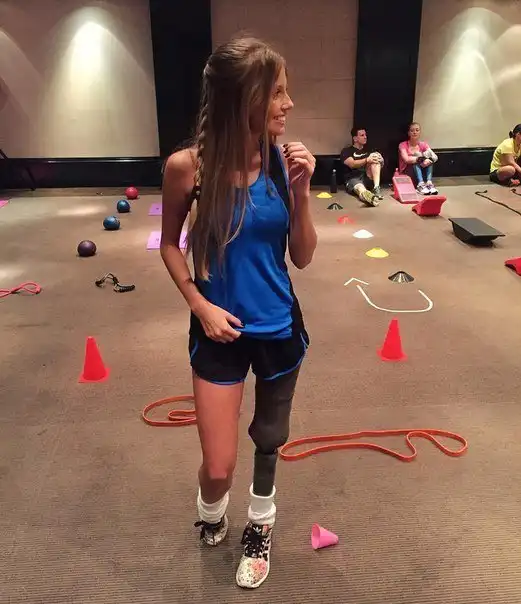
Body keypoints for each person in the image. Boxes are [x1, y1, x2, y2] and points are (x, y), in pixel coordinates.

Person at [160, 36, 317, 590]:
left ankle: (260, 525)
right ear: (242, 99)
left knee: (269, 437)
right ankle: (212, 509)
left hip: (278, 324)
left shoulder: (281, 161)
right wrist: (200, 304)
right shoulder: (188, 168)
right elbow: (169, 245)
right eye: (277, 93)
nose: (288, 104)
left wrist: (302, 192)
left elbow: (302, 256)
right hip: (217, 329)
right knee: (218, 465)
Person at [340, 127, 384, 206]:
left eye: (365, 135)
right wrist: (367, 160)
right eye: (362, 135)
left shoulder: (370, 150)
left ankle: (376, 188)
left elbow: (379, 166)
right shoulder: (346, 151)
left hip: (368, 177)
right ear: (355, 138)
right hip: (353, 178)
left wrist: (381, 160)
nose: (365, 137)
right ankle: (366, 195)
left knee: (375, 157)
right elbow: (352, 164)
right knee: (359, 187)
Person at [398, 122, 439, 195]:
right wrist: (421, 159)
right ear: (408, 133)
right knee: (417, 160)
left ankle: (429, 183)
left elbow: (434, 157)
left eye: (417, 130)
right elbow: (406, 159)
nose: (415, 132)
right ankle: (420, 185)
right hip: (408, 171)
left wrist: (429, 160)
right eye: (412, 130)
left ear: (420, 132)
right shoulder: (403, 145)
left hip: (421, 170)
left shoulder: (423, 144)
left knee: (429, 161)